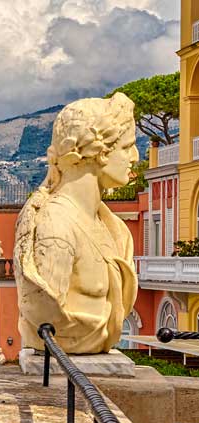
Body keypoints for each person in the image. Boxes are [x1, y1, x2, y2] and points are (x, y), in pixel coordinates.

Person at [14, 93, 138, 354]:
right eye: (127, 147)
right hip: (67, 368)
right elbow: (47, 316)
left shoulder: (113, 229)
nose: (135, 156)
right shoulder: (55, 225)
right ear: (100, 153)